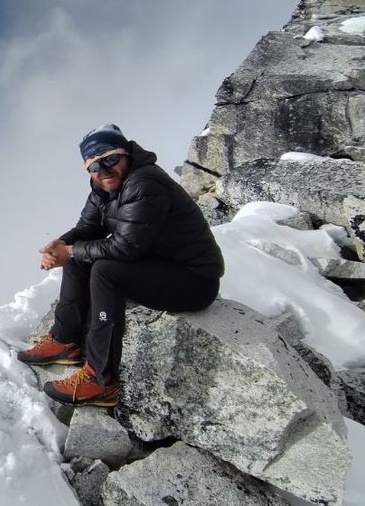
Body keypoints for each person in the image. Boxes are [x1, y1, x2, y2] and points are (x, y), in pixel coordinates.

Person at [18, 124, 225, 407]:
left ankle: (100, 380)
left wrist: (71, 251)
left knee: (105, 270)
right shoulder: (103, 187)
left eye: (110, 159)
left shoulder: (145, 184)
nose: (103, 170)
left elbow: (126, 247)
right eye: (94, 166)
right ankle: (65, 340)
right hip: (159, 264)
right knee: (80, 258)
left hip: (194, 281)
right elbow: (88, 228)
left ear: (126, 154)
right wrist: (60, 245)